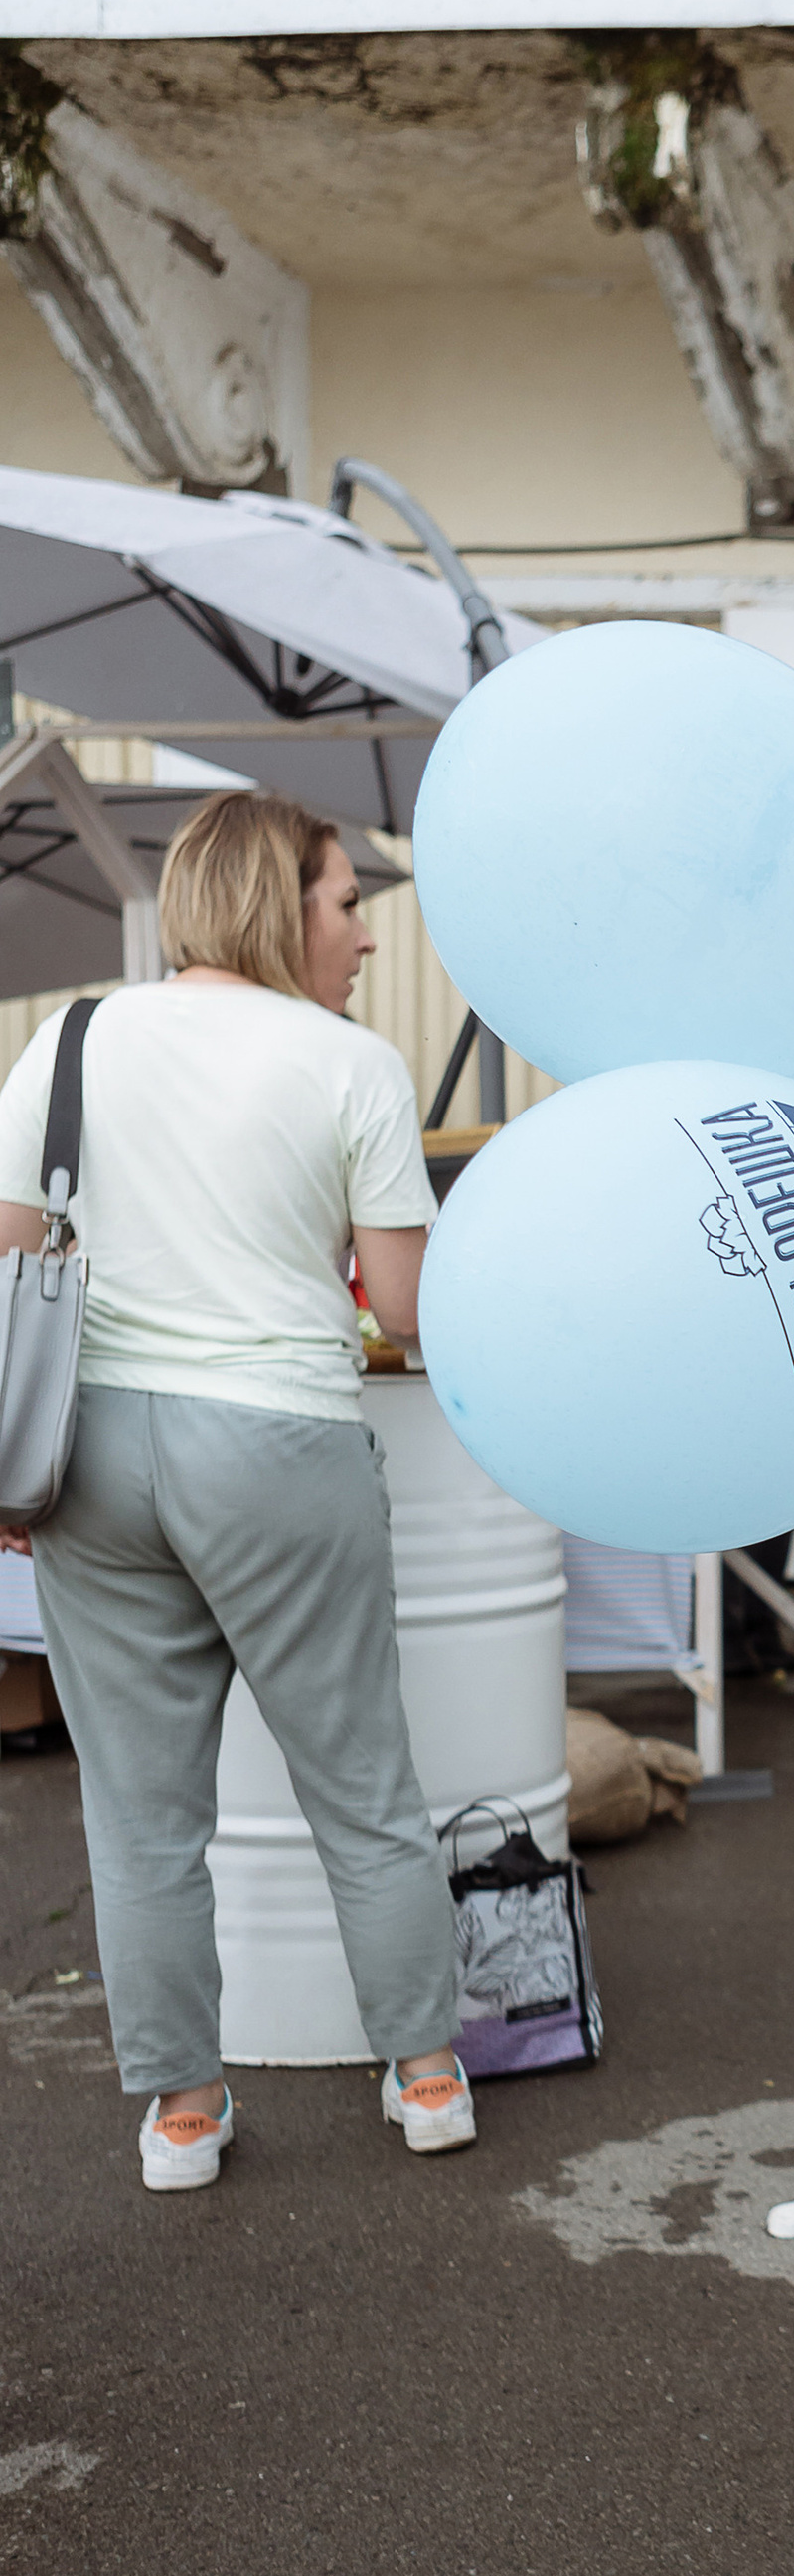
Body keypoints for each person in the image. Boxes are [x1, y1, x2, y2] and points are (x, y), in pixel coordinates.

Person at [0, 794, 472, 2193]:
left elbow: (9, 1257)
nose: (366, 935)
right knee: (363, 1784)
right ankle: (428, 2074)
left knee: (140, 1812)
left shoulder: (71, 1040)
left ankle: (183, 2113)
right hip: (277, 1441)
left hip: (89, 1446)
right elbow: (403, 1308)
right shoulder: (354, 1067)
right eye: (344, 901)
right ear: (282, 904)